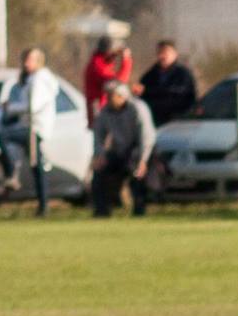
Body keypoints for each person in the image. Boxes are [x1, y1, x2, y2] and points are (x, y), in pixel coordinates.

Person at [0, 48, 58, 216]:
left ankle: (11, 171)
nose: (25, 63)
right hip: (31, 127)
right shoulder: (31, 79)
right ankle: (42, 205)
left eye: (29, 59)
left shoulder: (39, 80)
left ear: (39, 61)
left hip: (34, 129)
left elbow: (33, 106)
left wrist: (11, 108)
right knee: (37, 166)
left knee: (3, 136)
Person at [89, 80, 155, 217]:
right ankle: (102, 211)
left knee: (137, 172)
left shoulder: (137, 108)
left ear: (121, 96)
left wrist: (143, 159)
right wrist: (100, 155)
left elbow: (147, 135)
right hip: (119, 151)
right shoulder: (105, 112)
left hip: (139, 150)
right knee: (99, 173)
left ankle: (139, 210)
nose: (107, 98)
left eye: (110, 95)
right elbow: (98, 136)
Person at [139, 40, 197, 128]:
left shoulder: (183, 74)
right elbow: (142, 94)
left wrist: (151, 91)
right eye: (159, 52)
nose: (162, 56)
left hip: (178, 120)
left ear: (175, 54)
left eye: (165, 52)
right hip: (155, 121)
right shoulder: (150, 75)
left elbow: (183, 94)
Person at [82, 37, 135, 124]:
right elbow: (118, 84)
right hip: (102, 115)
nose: (116, 54)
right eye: (114, 52)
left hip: (104, 113)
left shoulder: (101, 63)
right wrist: (126, 60)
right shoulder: (98, 66)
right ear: (108, 51)